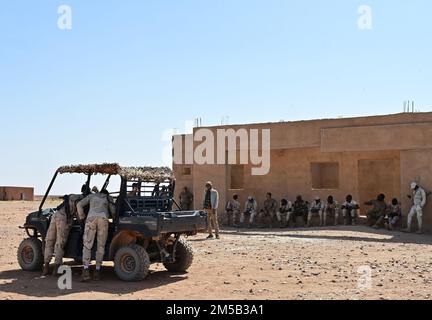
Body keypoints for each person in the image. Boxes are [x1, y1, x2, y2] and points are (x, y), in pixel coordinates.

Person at [77, 189, 116, 282]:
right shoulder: (108, 198)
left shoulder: (91, 196)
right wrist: (113, 219)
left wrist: (82, 217)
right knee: (101, 246)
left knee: (87, 245)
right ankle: (97, 271)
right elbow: (114, 211)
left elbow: (79, 205)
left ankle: (86, 270)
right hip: (103, 219)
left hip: (91, 219)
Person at [42, 193, 84, 276]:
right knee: (60, 242)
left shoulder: (72, 196)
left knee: (49, 240)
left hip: (56, 215)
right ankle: (56, 268)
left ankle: (46, 266)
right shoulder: (80, 199)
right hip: (63, 218)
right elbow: (79, 212)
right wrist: (81, 220)